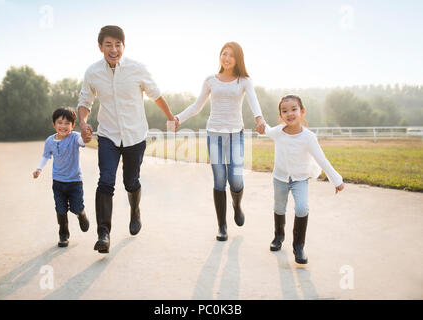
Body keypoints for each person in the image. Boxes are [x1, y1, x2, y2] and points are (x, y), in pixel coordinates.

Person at [77, 25, 177, 254]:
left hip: (134, 136)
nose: (114, 49)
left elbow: (156, 95)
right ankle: (103, 233)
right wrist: (83, 123)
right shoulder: (92, 72)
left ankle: (135, 211)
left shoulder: (137, 69)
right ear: (100, 47)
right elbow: (85, 101)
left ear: (124, 46)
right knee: (106, 181)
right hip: (108, 136)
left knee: (131, 182)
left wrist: (170, 117)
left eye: (118, 44)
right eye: (109, 44)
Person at [174, 41, 266, 241]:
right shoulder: (210, 80)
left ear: (237, 59)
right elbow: (197, 106)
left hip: (235, 134)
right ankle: (222, 226)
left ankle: (237, 204)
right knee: (218, 179)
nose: (226, 58)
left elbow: (253, 101)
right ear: (220, 56)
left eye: (231, 55)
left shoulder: (244, 81)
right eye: (224, 53)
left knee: (235, 179)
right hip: (214, 134)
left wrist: (259, 118)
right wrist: (178, 118)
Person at [258, 94, 345, 264]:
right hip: (280, 178)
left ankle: (298, 247)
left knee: (302, 208)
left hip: (300, 179)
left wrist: (337, 180)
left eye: (293, 109)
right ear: (280, 115)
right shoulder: (278, 132)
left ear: (302, 111)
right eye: (285, 111)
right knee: (279, 207)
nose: (289, 113)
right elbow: (266, 129)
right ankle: (278, 237)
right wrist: (261, 125)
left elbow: (322, 159)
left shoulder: (308, 137)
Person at [33, 107, 90, 248]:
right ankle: (63, 235)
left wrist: (85, 135)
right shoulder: (50, 141)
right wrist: (39, 169)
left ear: (72, 125)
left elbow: (83, 142)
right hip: (58, 182)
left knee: (76, 207)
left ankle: (81, 214)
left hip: (75, 182)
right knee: (60, 210)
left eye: (67, 123)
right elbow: (46, 156)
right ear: (54, 124)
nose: (63, 126)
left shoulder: (75, 137)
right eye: (60, 122)